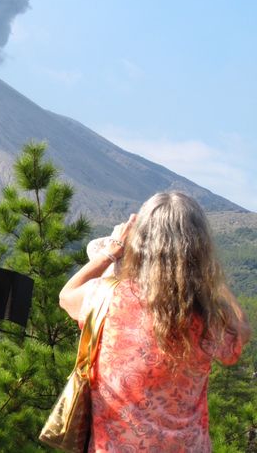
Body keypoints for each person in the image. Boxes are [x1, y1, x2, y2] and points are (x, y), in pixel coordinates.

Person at [59, 192, 251, 452]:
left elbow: (66, 297)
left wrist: (110, 252)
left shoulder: (108, 296)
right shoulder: (206, 316)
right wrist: (211, 279)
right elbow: (238, 339)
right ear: (200, 249)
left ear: (139, 241)